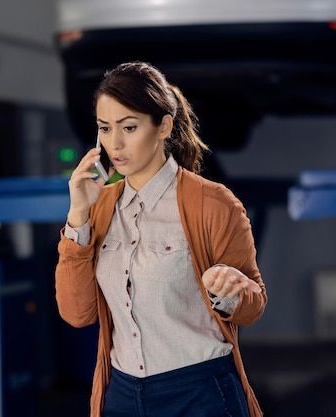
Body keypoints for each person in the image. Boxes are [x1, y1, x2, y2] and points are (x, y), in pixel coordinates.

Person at [55, 61, 267, 417]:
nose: (115, 144)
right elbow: (77, 314)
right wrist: (77, 216)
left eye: (129, 127)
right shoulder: (99, 207)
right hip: (120, 393)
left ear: (163, 126)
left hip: (200, 393)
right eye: (105, 129)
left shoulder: (213, 203)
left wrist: (226, 292)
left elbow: (253, 305)